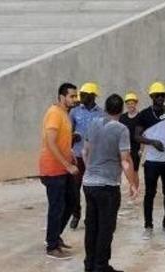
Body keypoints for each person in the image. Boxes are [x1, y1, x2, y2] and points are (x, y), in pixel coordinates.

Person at [82, 94, 140, 272]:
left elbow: (85, 151)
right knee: (106, 227)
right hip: (107, 186)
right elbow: (125, 160)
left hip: (89, 183)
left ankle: (89, 264)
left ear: (105, 108)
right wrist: (132, 183)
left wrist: (90, 169)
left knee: (91, 225)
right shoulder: (121, 129)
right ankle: (101, 266)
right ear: (121, 110)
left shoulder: (93, 124)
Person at [134, 81, 165, 239]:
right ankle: (148, 227)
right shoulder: (144, 115)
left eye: (163, 95)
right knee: (150, 194)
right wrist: (152, 142)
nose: (161, 97)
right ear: (151, 97)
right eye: (157, 95)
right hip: (152, 162)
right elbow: (136, 136)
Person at [39, 82, 80, 260]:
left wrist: (70, 153)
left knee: (70, 203)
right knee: (56, 207)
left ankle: (55, 236)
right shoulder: (54, 113)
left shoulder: (65, 114)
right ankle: (52, 246)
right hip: (53, 169)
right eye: (72, 96)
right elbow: (50, 142)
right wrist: (67, 164)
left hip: (63, 167)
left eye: (75, 96)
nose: (75, 99)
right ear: (62, 97)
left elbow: (62, 140)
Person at [69, 82, 104, 229]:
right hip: (77, 156)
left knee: (92, 188)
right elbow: (68, 132)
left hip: (94, 158)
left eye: (83, 95)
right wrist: (72, 136)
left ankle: (91, 217)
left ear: (92, 96)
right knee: (74, 187)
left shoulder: (101, 114)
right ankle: (76, 214)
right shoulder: (74, 112)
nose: (80, 98)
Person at [119, 92, 142, 172]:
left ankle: (135, 185)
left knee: (134, 171)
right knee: (124, 170)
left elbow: (144, 135)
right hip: (124, 148)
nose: (130, 105)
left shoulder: (140, 117)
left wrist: (141, 150)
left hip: (136, 149)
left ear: (136, 104)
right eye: (128, 104)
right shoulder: (122, 117)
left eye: (132, 103)